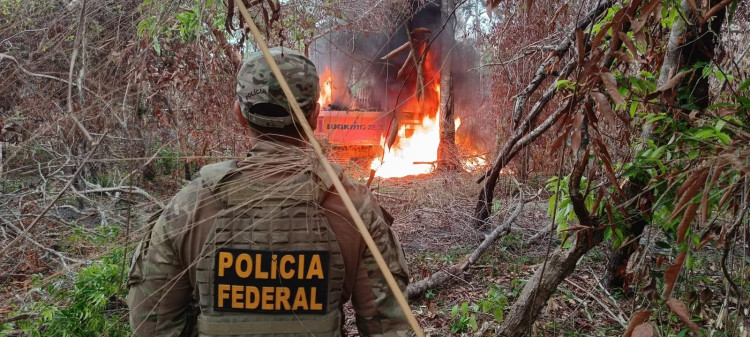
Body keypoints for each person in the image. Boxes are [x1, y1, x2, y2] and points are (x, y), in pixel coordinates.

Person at [127, 47, 411, 337]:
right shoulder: (353, 205)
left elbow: (150, 325)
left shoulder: (189, 206)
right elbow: (389, 326)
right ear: (314, 115)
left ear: (240, 114)